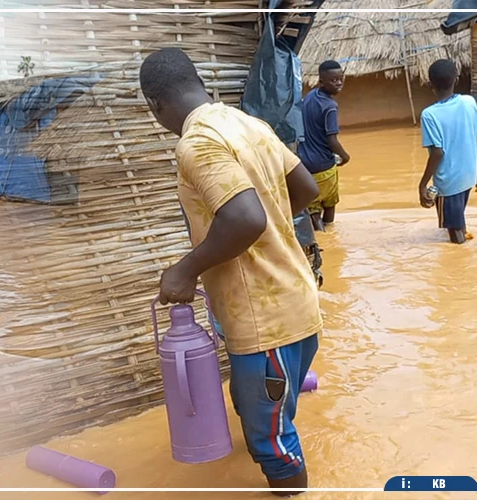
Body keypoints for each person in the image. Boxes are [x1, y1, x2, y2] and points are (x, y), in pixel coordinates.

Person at [139, 48, 322, 496]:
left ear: (156, 106)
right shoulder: (249, 124)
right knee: (263, 413)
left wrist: (185, 270)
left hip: (265, 321)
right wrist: (274, 228)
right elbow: (306, 188)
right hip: (298, 302)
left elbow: (244, 219)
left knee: (272, 443)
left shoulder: (197, 142)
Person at [418, 59, 477, 244]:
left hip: (448, 183)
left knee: (454, 233)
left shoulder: (430, 114)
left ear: (429, 83)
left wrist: (422, 184)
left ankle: (461, 266)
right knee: (458, 219)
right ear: (456, 80)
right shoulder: (469, 102)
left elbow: (437, 153)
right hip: (469, 174)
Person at [299, 60, 350, 231]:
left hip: (305, 164)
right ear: (321, 81)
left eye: (341, 79)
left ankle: (321, 237)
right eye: (333, 80)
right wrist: (345, 156)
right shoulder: (330, 106)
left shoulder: (310, 96)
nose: (339, 83)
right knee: (329, 203)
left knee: (313, 208)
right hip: (324, 164)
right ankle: (330, 235)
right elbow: (332, 140)